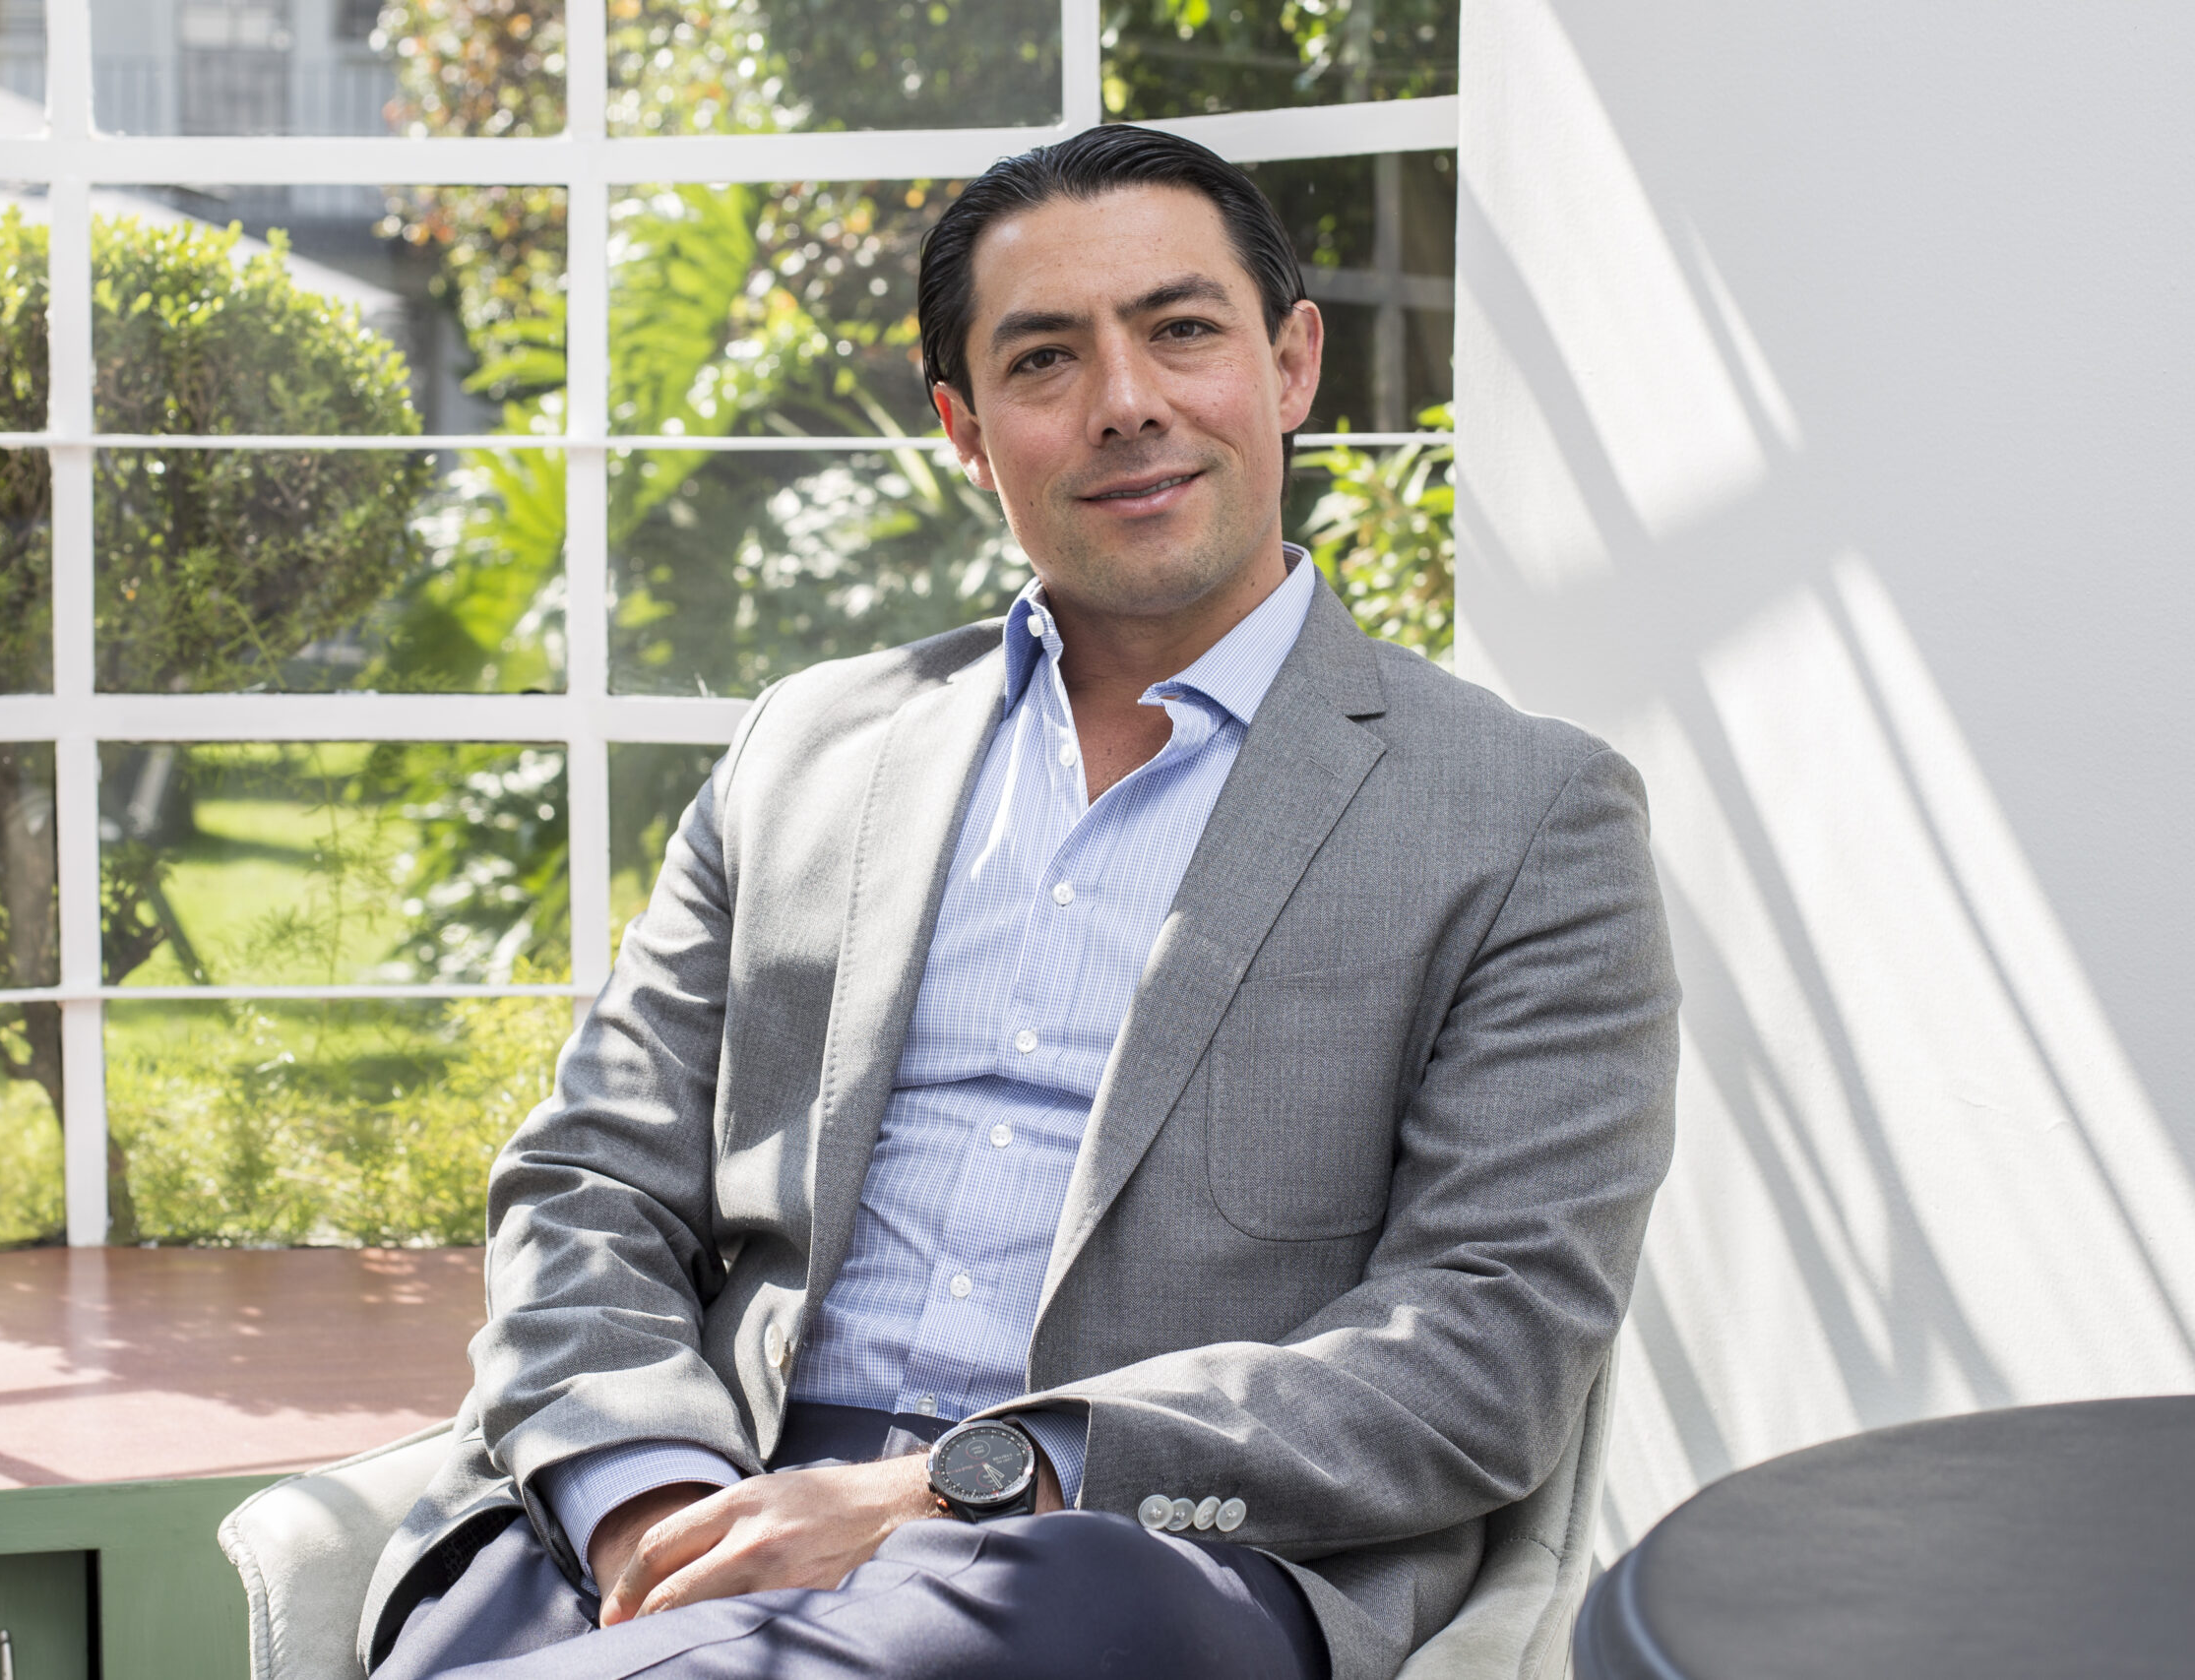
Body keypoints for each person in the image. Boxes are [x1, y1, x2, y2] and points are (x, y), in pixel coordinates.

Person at [359, 124, 1679, 1680]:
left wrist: (962, 1484)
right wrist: (652, 1511)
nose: (1125, 402)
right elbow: (589, 1177)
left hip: (1125, 1547)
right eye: (1045, 359)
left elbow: (1485, 1345)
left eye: (1182, 330)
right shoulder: (811, 750)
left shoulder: (1525, 815)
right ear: (967, 430)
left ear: (1290, 365)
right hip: (711, 1484)